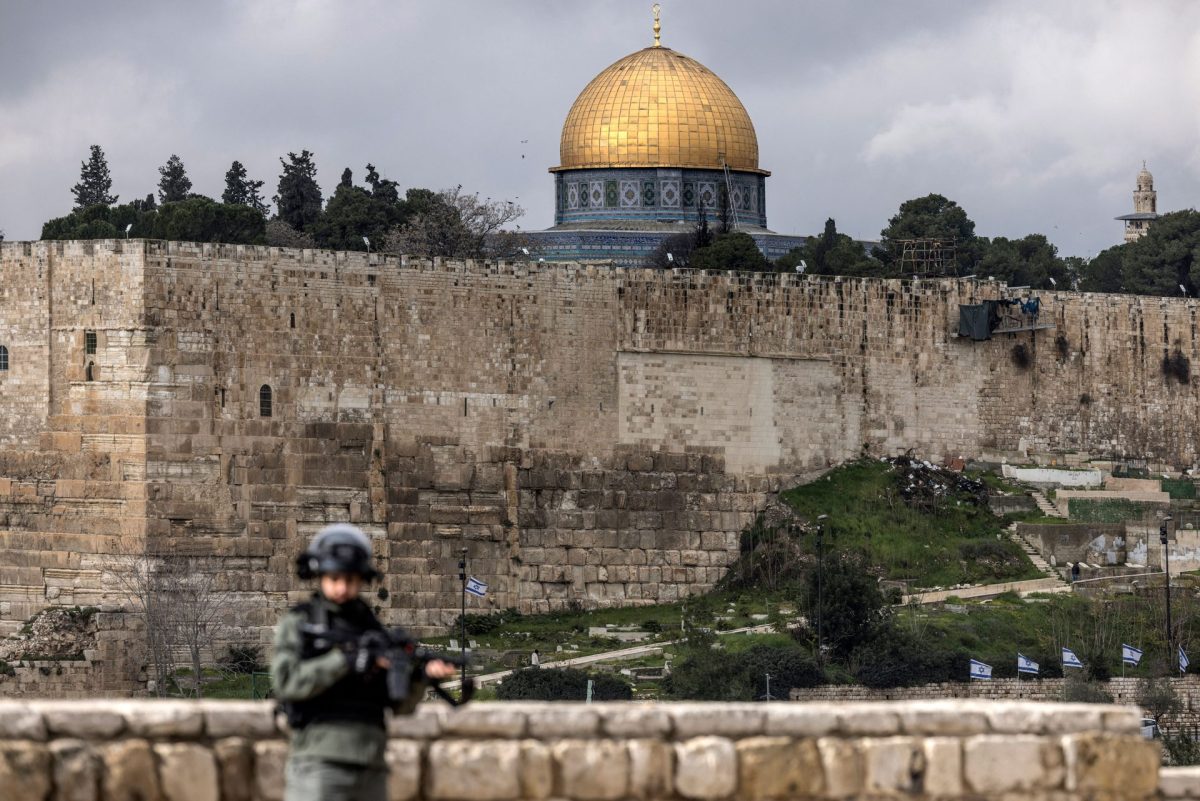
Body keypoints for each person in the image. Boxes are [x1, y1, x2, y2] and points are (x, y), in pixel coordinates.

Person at [272, 523, 457, 801]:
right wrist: (345, 659)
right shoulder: (300, 623)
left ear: (362, 580)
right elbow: (286, 683)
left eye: (350, 580)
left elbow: (400, 707)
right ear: (320, 576)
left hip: (371, 764)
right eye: (334, 578)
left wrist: (421, 678)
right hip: (320, 763)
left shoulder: (372, 629)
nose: (342, 588)